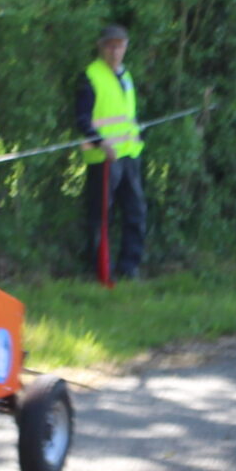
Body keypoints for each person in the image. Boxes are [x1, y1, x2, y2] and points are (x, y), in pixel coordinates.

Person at [75, 25, 147, 280]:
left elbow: (128, 114)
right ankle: (100, 270)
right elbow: (81, 119)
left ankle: (130, 268)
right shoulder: (90, 76)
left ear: (126, 47)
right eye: (110, 45)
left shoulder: (126, 75)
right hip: (103, 158)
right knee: (101, 216)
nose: (115, 51)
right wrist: (100, 142)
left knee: (136, 212)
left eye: (120, 45)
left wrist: (138, 128)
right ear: (101, 46)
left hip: (129, 154)